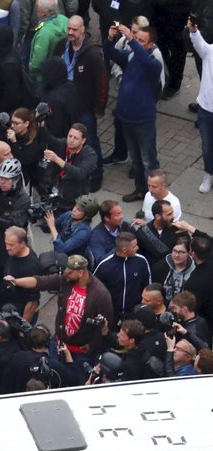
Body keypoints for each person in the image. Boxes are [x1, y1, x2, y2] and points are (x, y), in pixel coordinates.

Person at [5, 254, 114, 367]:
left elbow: (105, 326)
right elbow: (40, 281)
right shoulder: (66, 281)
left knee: (76, 379)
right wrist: (16, 281)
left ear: (81, 272)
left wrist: (91, 345)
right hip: (59, 343)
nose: (65, 275)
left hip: (81, 352)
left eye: (69, 273)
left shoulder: (101, 294)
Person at [104, 23, 162, 203]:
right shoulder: (131, 57)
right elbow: (111, 54)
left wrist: (130, 38)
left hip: (143, 120)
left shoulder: (153, 64)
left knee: (148, 161)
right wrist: (109, 38)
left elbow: (145, 60)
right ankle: (140, 190)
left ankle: (154, 198)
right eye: (136, 39)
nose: (136, 43)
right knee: (136, 160)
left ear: (150, 45)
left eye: (141, 41)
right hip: (126, 118)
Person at [52, 17, 107, 190]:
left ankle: (97, 173)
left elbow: (102, 83)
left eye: (74, 30)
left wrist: (99, 108)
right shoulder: (62, 45)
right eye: (69, 28)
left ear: (83, 29)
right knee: (70, 139)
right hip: (66, 104)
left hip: (84, 107)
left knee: (90, 139)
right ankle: (72, 168)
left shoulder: (92, 54)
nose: (70, 32)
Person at [92, 233, 152, 319]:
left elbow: (148, 286)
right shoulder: (104, 265)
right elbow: (95, 289)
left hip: (134, 314)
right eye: (134, 246)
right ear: (124, 249)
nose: (137, 248)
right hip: (111, 314)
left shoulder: (141, 261)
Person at [189, 17, 213, 193]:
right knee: (207, 145)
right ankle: (208, 173)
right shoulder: (210, 52)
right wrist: (193, 30)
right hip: (206, 109)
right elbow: (198, 43)